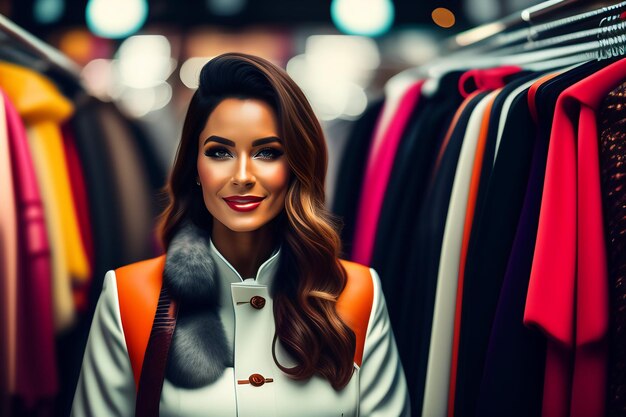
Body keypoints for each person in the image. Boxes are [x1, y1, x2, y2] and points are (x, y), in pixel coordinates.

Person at [70, 52, 410, 417]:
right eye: (219, 152)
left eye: (267, 152)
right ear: (195, 167)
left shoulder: (357, 293)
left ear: (296, 166)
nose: (243, 175)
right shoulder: (129, 296)